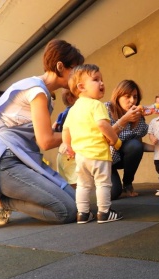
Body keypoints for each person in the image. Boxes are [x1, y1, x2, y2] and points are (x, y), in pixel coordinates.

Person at [0, 39, 84, 232]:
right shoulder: (37, 92)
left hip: (22, 158)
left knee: (77, 202)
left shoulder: (40, 90)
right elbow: (46, 140)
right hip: (5, 163)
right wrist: (81, 131)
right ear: (60, 66)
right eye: (75, 71)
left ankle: (6, 199)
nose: (78, 78)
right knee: (66, 211)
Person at [62, 64, 123, 224]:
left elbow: (66, 130)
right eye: (96, 80)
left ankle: (82, 214)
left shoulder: (73, 109)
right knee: (103, 182)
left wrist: (68, 146)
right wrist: (115, 141)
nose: (102, 83)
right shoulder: (97, 105)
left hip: (81, 156)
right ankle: (104, 212)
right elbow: (103, 125)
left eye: (102, 80)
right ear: (81, 86)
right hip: (98, 154)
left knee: (83, 185)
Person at [104, 80, 148, 199]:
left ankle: (127, 183)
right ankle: (103, 181)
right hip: (106, 158)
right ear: (118, 96)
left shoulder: (137, 114)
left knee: (134, 145)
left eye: (135, 97)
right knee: (113, 194)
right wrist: (124, 119)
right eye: (127, 96)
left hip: (122, 155)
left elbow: (137, 141)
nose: (132, 101)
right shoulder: (106, 108)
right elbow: (106, 139)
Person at [53, 89, 78, 188]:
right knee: (76, 181)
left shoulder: (61, 114)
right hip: (71, 152)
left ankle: (73, 201)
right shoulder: (74, 112)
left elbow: (53, 128)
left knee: (68, 181)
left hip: (63, 152)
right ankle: (77, 202)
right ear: (71, 99)